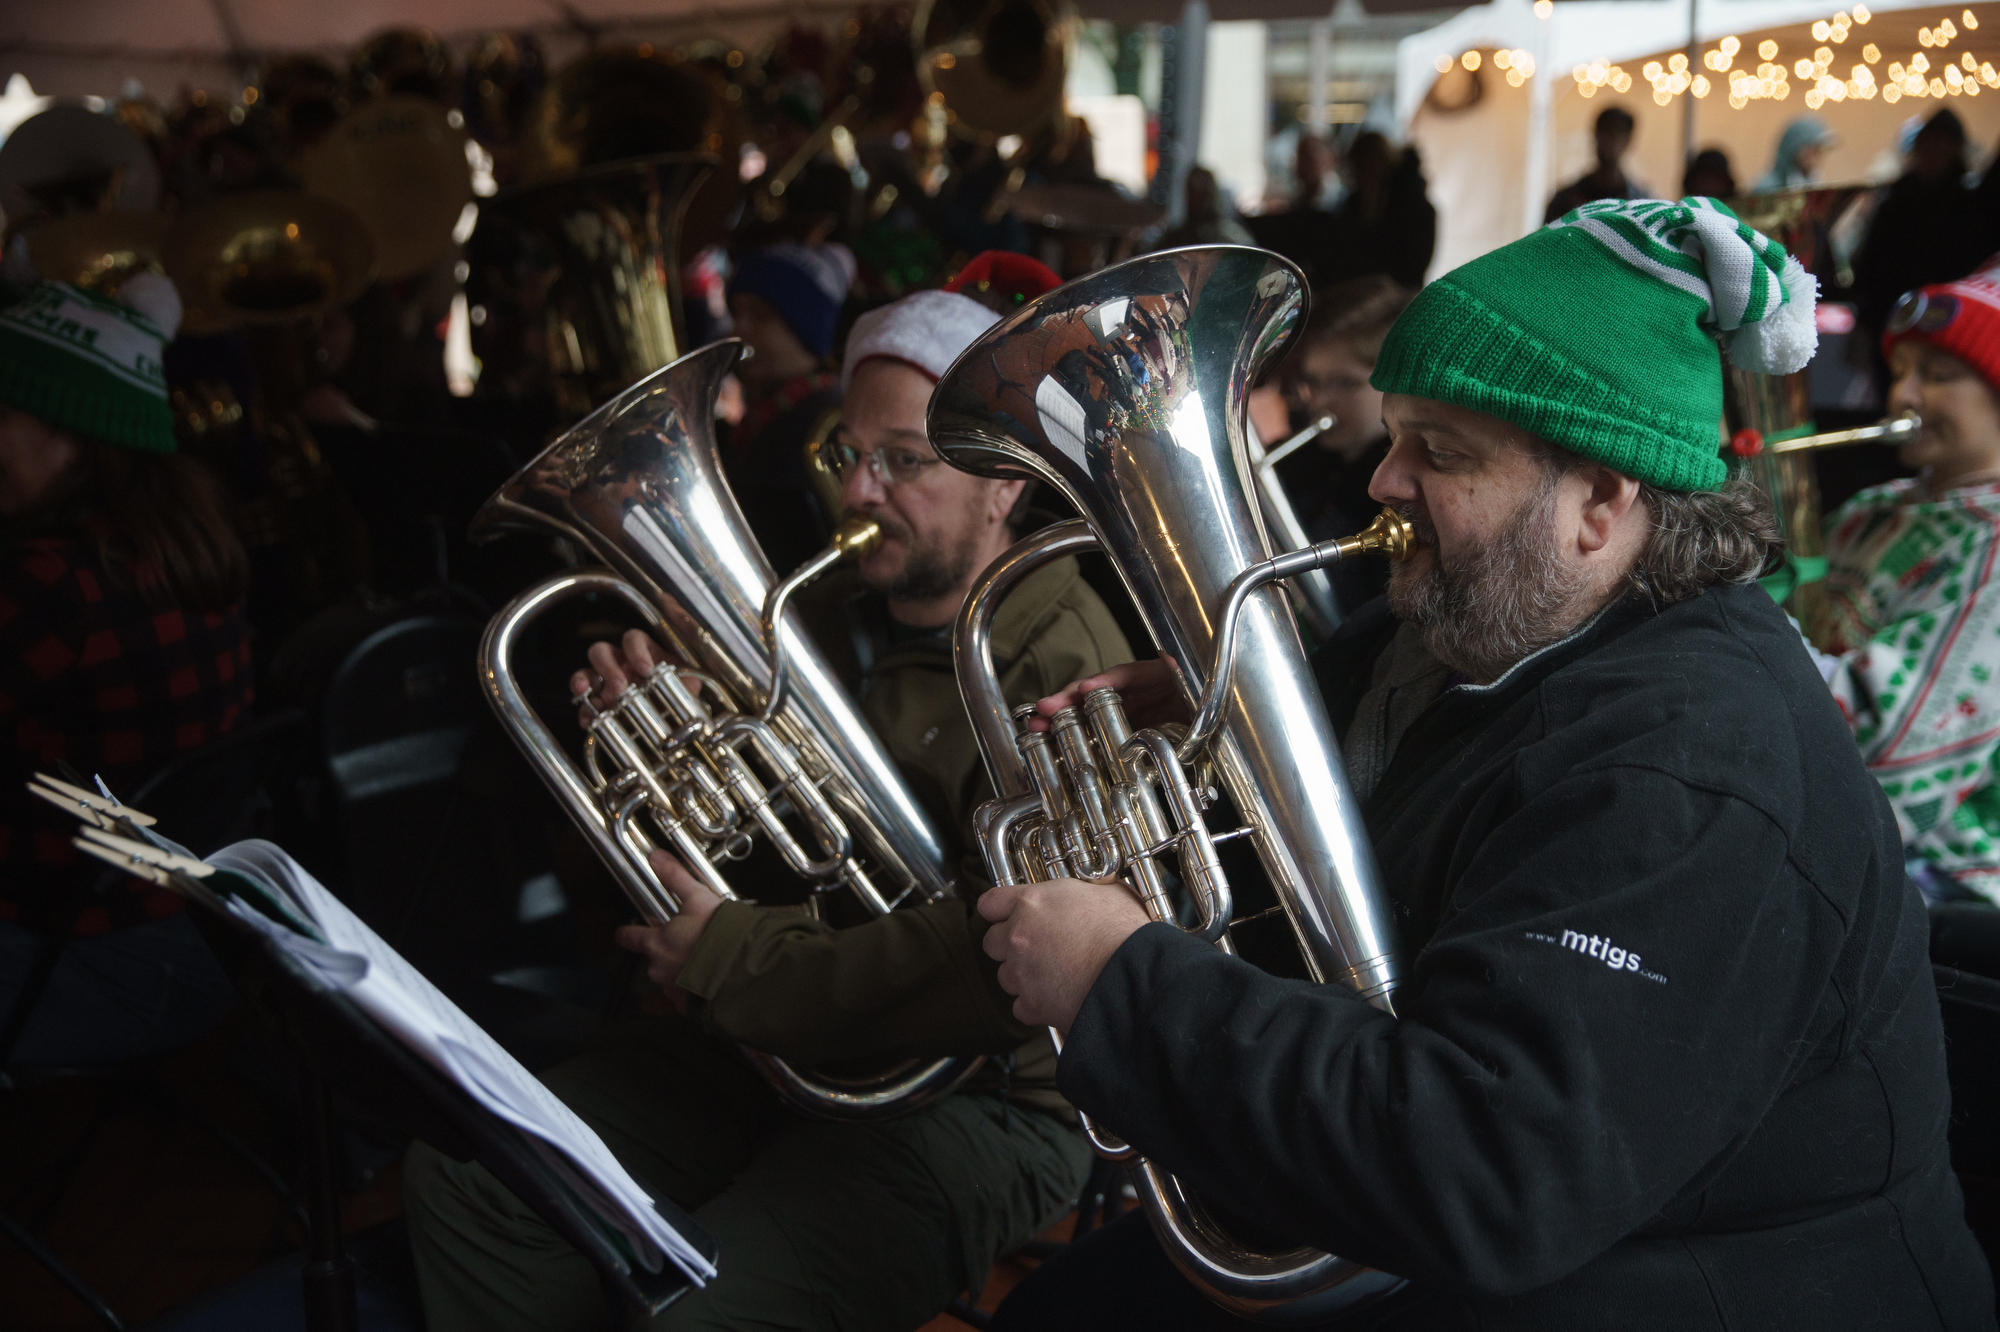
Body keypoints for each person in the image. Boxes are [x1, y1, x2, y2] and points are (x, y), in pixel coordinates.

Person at [978, 197, 1993, 1329]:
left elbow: (1492, 1169)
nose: (1380, 481)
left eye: (1439, 452)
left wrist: (1123, 984)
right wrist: (1215, 717)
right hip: (1520, 1233)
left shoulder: (1692, 772)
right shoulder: (1476, 624)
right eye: (1397, 434)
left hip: (1690, 1281)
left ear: (1600, 502)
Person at [402, 283, 1134, 1332]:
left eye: (906, 460)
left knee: (712, 1310)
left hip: (990, 1095)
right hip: (789, 1029)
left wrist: (727, 959)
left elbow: (1001, 966)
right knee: (471, 1186)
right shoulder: (813, 613)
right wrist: (656, 751)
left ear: (1002, 487)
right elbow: (721, 876)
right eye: (849, 454)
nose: (864, 490)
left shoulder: (1062, 656)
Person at [0, 276, 249, 1065]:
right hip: (210, 938)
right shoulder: (188, 542)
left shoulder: (50, 583)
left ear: (76, 435)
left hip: (87, 960)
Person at [1815, 262, 2000, 903]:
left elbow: (1891, 761)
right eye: (1900, 373)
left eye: (1938, 376)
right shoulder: (1877, 506)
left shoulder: (1994, 548)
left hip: (1946, 873)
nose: (1903, 397)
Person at [1275, 274, 1417, 615]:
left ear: (1396, 384)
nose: (1319, 401)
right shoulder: (1301, 460)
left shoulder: (1403, 491)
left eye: (1344, 383)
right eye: (1313, 382)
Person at [720, 241, 856, 576]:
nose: (740, 331)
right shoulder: (764, 416)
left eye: (761, 316)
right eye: (736, 313)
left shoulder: (822, 422)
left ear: (805, 328)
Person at [1853, 110, 1991, 375]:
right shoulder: (1895, 203)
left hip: (1951, 327)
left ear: (1955, 151)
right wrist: (1865, 321)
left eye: (1943, 145)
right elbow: (1872, 265)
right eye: (1929, 144)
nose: (1934, 153)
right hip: (1891, 325)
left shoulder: (1969, 207)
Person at [1333, 132, 1436, 289]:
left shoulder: (1414, 209)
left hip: (1396, 295)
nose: (1356, 178)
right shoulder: (1356, 203)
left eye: (1360, 170)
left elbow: (1412, 267)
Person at [1543, 106, 1648, 221]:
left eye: (1615, 134)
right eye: (1603, 132)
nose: (1607, 142)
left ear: (1628, 140)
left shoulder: (1640, 205)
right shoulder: (1564, 201)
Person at [1754, 115, 1836, 192]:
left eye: (1818, 149)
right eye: (1810, 149)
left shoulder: (1812, 182)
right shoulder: (1768, 188)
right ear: (1793, 149)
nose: (1815, 156)